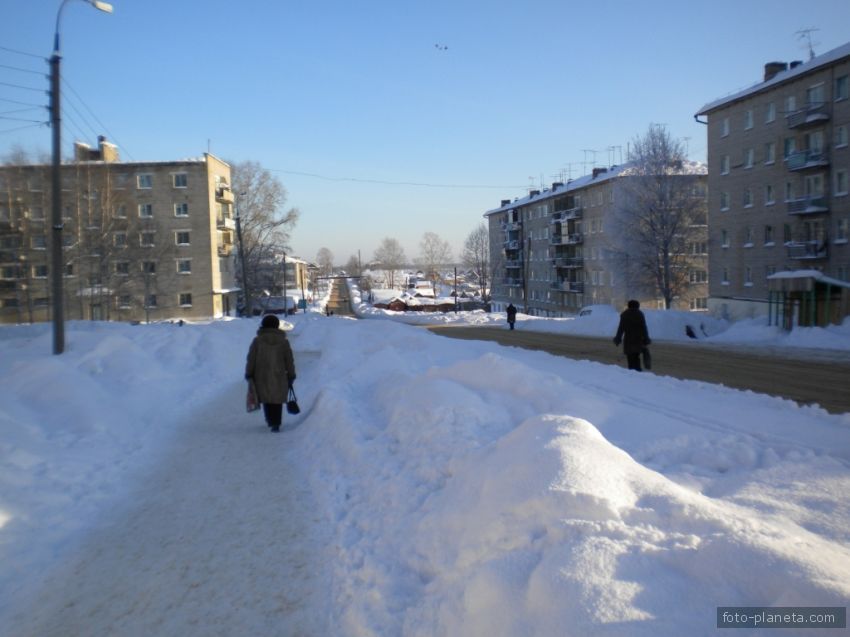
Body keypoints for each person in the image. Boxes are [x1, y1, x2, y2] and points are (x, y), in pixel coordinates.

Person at [245, 314, 297, 432]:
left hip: (261, 376)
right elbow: (289, 360)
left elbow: (251, 359)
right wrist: (291, 375)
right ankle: (276, 423)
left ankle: (270, 420)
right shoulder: (284, 342)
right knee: (277, 400)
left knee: (266, 398)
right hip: (279, 376)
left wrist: (249, 373)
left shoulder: (257, 341)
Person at [613, 299, 651, 371]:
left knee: (630, 358)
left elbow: (621, 328)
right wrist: (646, 338)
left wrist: (618, 338)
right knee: (636, 357)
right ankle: (638, 372)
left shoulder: (624, 314)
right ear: (637, 306)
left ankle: (633, 373)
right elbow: (644, 328)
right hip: (638, 340)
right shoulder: (640, 314)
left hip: (628, 340)